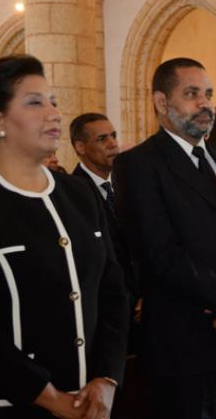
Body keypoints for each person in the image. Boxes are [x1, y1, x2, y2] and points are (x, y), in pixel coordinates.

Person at [0, 55, 130, 419]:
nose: (53, 113)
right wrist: (48, 396)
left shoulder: (78, 194)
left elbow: (112, 290)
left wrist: (106, 377)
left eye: (53, 101)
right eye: (35, 102)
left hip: (86, 396)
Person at [114, 57, 216, 418]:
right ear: (161, 102)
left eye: (208, 94)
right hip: (184, 348)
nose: (205, 103)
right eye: (191, 94)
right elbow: (161, 256)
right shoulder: (139, 165)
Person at [69, 113, 139, 305]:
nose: (112, 144)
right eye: (102, 139)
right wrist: (130, 299)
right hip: (109, 304)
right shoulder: (72, 193)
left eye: (114, 136)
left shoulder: (126, 183)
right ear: (80, 146)